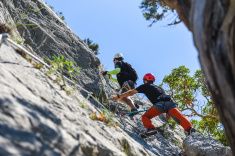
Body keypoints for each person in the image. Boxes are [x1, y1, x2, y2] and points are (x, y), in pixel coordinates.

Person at [111, 73, 196, 138]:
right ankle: (190, 129)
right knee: (180, 116)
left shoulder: (145, 86)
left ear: (146, 80)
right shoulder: (159, 88)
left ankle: (151, 128)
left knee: (145, 117)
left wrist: (118, 96)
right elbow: (167, 97)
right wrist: (168, 112)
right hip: (170, 103)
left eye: (144, 80)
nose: (144, 81)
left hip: (160, 104)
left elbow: (130, 92)